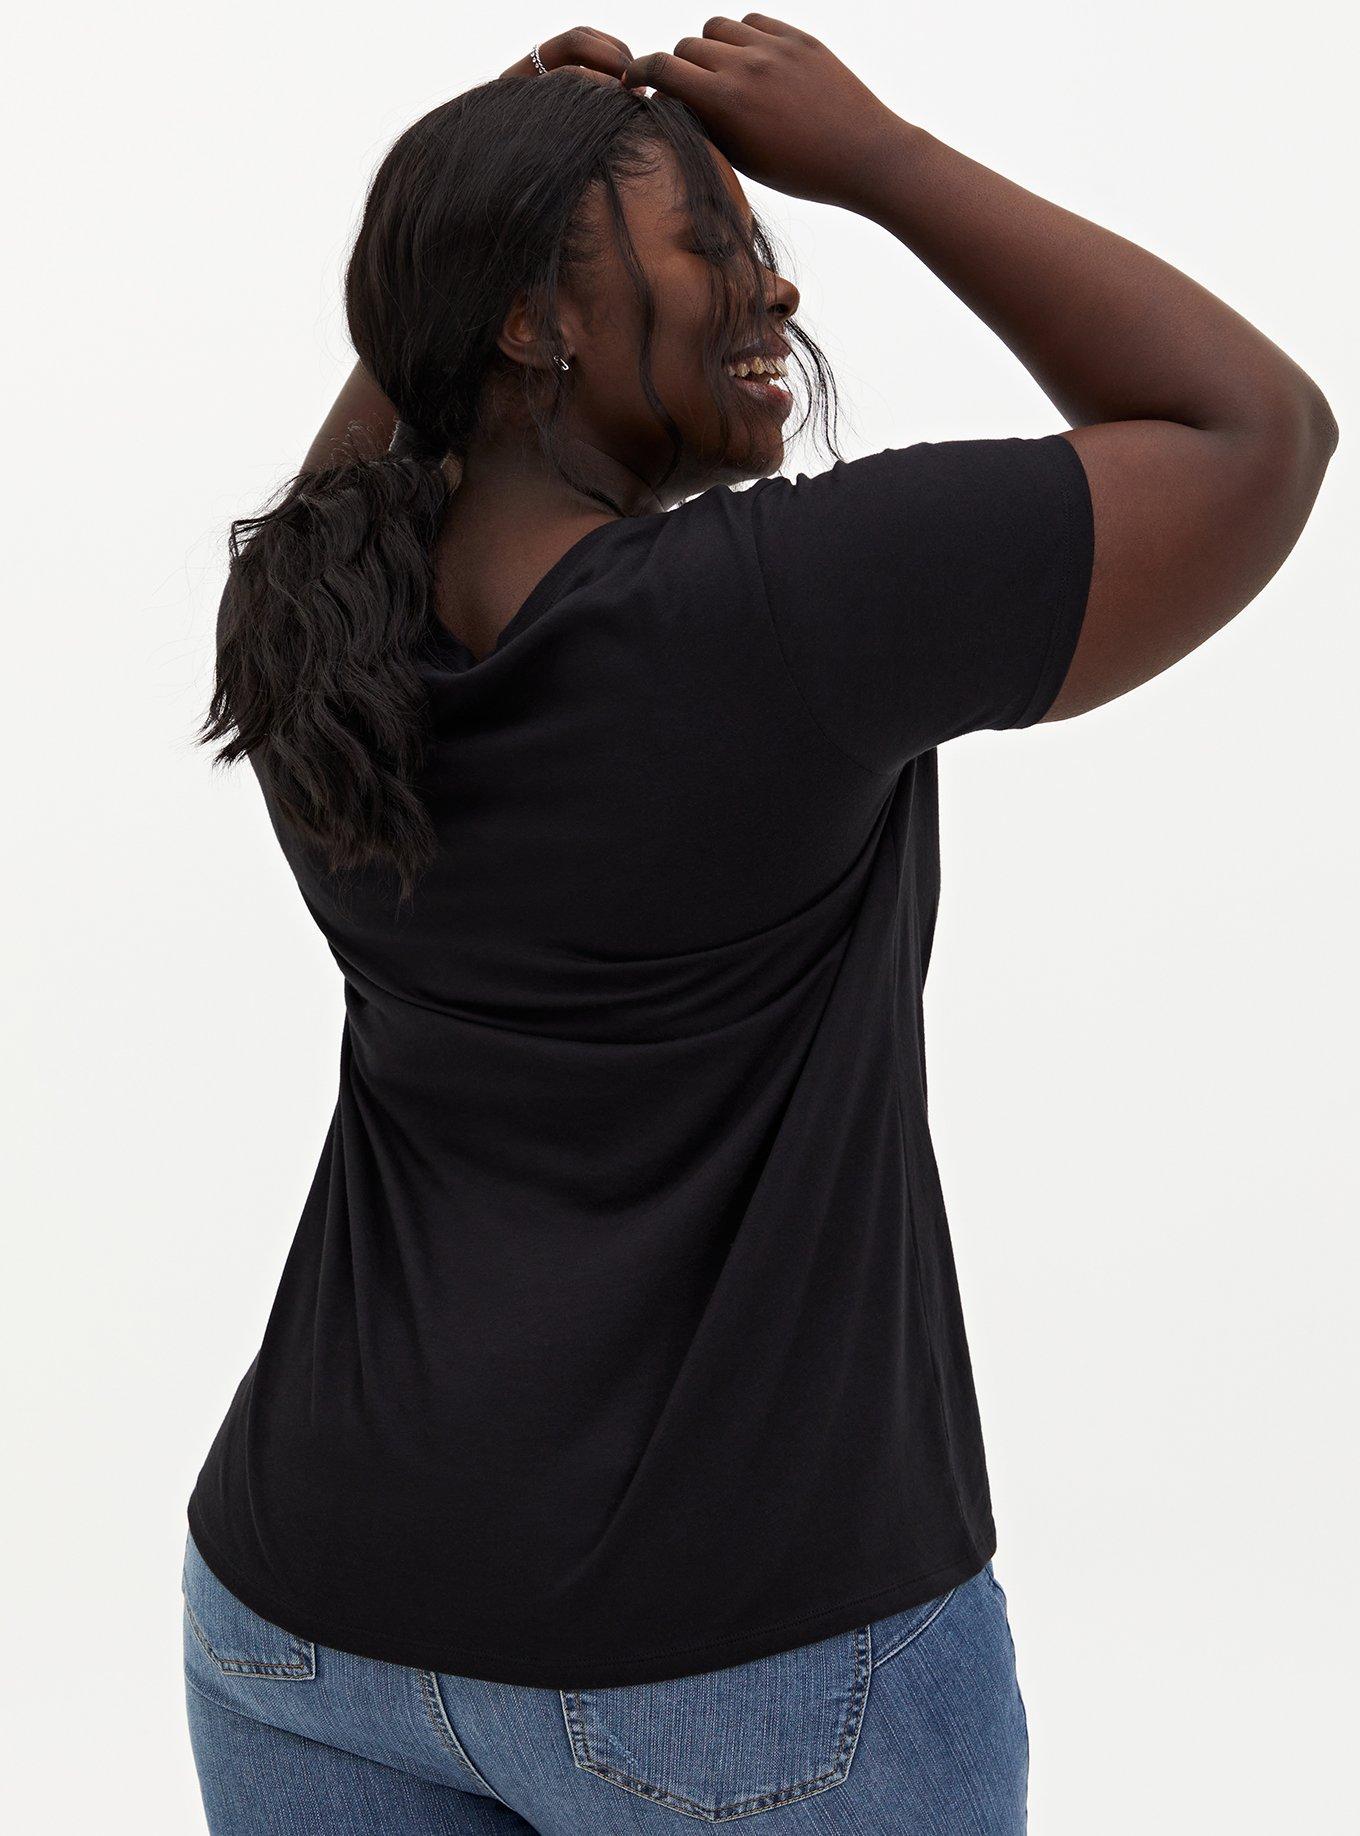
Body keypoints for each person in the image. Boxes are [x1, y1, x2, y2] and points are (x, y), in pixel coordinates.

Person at [182, 19, 1336, 1835]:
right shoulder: (782, 611)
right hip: (746, 1668)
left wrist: (475, 229)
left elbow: (359, 474)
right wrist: (877, 154)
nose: (778, 282)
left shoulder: (313, 650)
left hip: (305, 1619)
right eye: (716, 240)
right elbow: (1254, 432)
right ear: (532, 322)